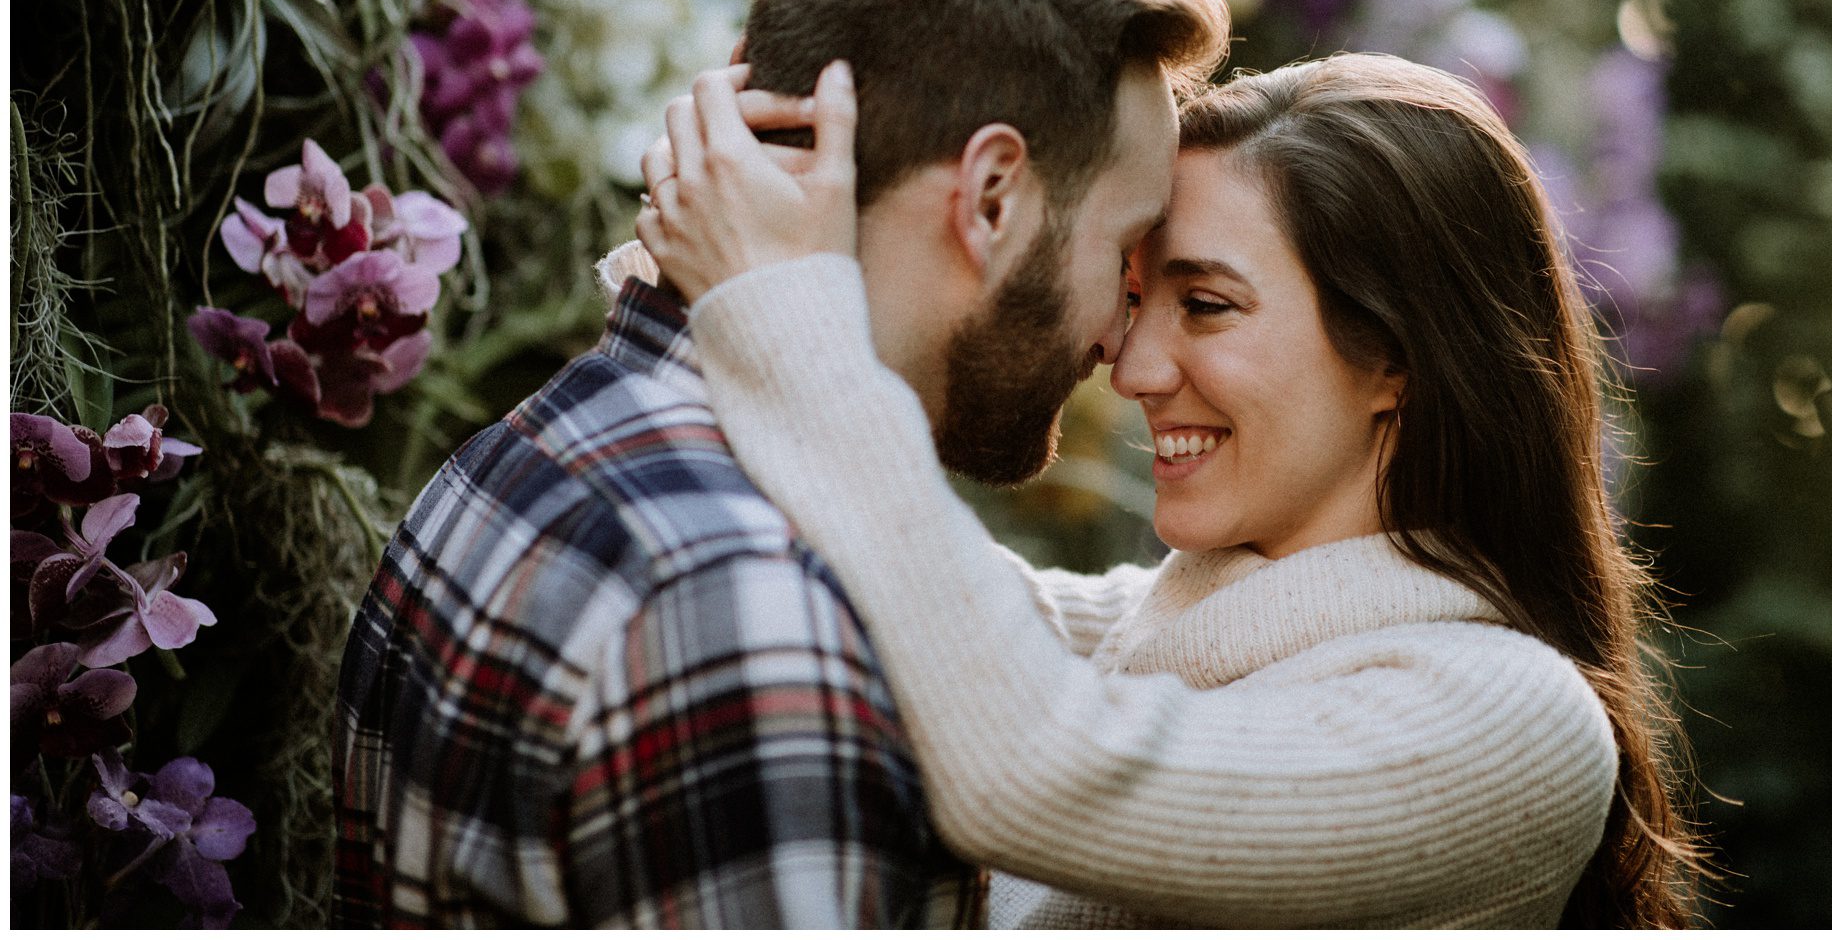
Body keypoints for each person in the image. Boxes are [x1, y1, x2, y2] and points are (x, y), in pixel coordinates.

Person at [329, 0, 1231, 925]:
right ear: (990, 198)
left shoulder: (521, 450)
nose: (1122, 341)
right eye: (1122, 250)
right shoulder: (756, 611)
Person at [634, 51, 1708, 927]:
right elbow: (869, 580)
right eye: (1137, 294)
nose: (1132, 365)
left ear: (1395, 359)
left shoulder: (1510, 726)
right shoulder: (1174, 628)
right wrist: (744, 213)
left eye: (1204, 304)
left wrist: (779, 300)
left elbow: (1023, 763)